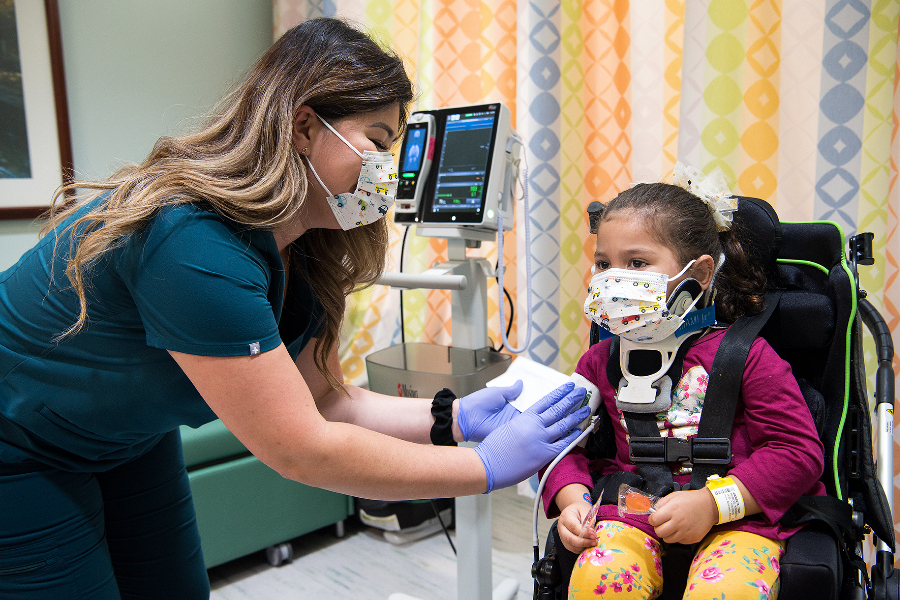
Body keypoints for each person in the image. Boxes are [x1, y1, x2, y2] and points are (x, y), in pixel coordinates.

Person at [0, 18, 590, 599]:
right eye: (379, 143)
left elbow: (326, 399)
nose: (391, 171)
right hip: (18, 443)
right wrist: (484, 466)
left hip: (126, 436)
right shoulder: (189, 240)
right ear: (304, 126)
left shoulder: (297, 249)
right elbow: (299, 446)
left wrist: (453, 418)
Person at [541, 165, 826, 599]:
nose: (614, 278)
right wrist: (573, 501)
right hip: (632, 513)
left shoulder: (747, 357)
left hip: (738, 518)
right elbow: (555, 440)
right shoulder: (600, 361)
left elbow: (797, 453)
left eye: (636, 263)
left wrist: (714, 504)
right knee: (597, 580)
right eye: (603, 264)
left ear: (701, 274)